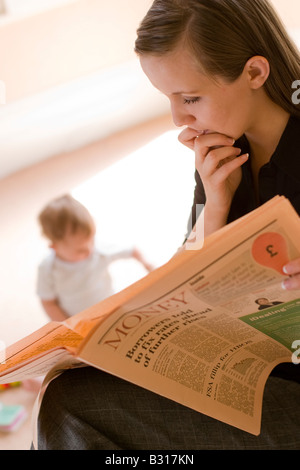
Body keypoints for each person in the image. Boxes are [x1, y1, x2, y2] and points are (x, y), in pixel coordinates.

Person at [35, 0, 300, 449]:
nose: (179, 119)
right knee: (68, 393)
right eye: (169, 99)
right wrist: (215, 204)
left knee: (75, 409)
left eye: (190, 98)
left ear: (255, 73)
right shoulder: (222, 158)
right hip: (245, 368)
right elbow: (189, 279)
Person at [37, 194, 153, 320]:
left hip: (110, 308)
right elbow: (48, 303)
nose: (90, 250)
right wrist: (67, 325)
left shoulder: (99, 250)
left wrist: (147, 264)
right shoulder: (47, 269)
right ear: (54, 247)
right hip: (78, 319)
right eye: (80, 250)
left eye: (91, 240)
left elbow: (132, 250)